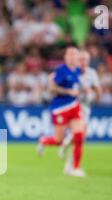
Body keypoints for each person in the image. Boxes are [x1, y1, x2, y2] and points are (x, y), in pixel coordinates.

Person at [37, 47, 86, 177]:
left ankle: (75, 168)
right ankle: (43, 140)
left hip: (74, 105)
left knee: (79, 136)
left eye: (74, 54)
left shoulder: (77, 70)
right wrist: (68, 91)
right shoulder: (61, 71)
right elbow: (53, 88)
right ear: (65, 57)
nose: (72, 57)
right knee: (58, 140)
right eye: (70, 55)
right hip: (60, 108)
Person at [59, 50, 101, 171]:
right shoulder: (72, 72)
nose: (83, 62)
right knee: (80, 136)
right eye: (81, 59)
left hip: (86, 107)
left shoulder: (92, 73)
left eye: (86, 59)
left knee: (80, 138)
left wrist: (96, 98)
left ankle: (68, 162)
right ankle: (72, 162)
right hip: (73, 106)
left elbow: (98, 89)